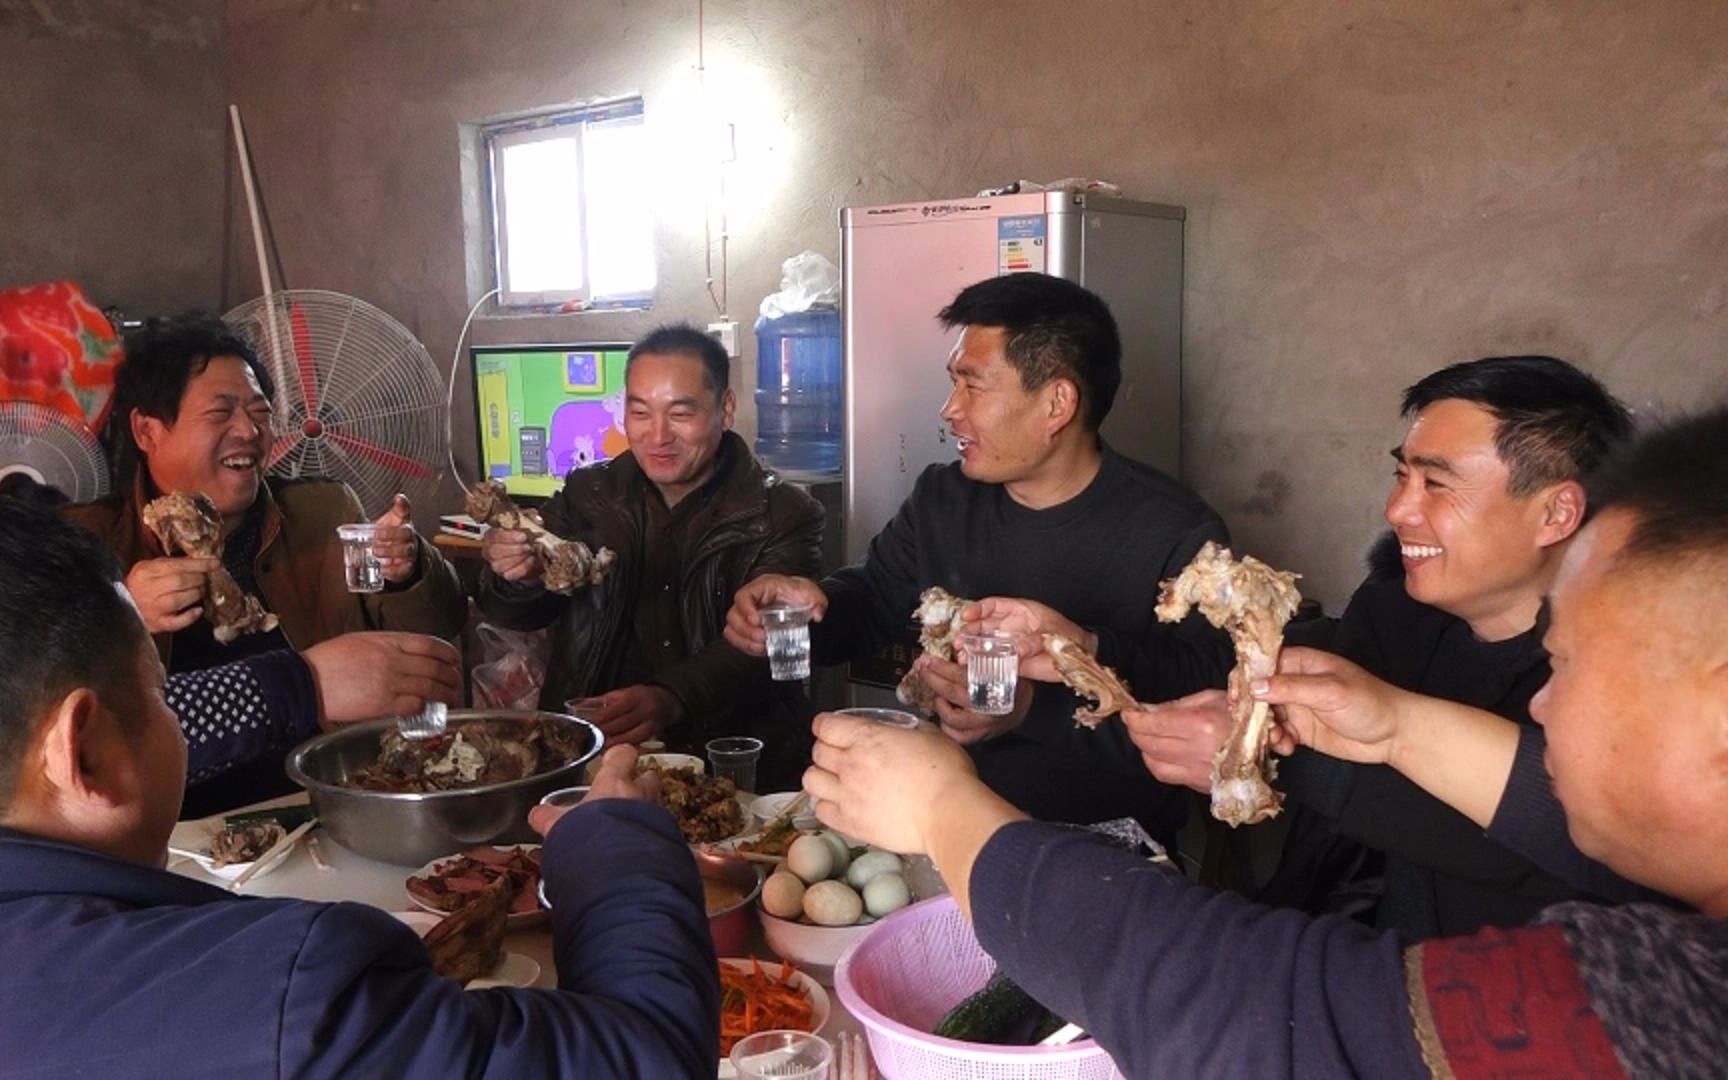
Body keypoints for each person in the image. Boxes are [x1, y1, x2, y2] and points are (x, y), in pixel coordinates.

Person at [803, 404, 1728, 1078]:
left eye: (1568, 665)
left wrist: (941, 805)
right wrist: (1390, 728)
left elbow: (1262, 1006)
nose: (1541, 708)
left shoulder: (1671, 1004)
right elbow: (1547, 809)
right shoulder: (1399, 619)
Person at [0, 502, 719, 1077]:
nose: (251, 426)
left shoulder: (318, 510)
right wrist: (619, 845)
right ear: (84, 753)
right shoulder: (293, 995)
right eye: (164, 696)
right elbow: (645, 1054)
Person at [1122, 356, 1640, 937]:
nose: (1398, 510)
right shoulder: (1395, 614)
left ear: (1556, 513)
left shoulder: (1626, 679)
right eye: (1402, 476)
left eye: (1436, 483)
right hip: (1372, 968)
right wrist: (1085, 650)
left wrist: (1289, 766)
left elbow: (1568, 850)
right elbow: (1245, 676)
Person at [727, 273, 1230, 845]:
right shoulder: (945, 499)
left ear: (1057, 403)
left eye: (974, 387)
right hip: (941, 824)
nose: (949, 411)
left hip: (1102, 843)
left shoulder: (1175, 532)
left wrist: (1031, 708)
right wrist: (803, 610)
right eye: (953, 384)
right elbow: (870, 602)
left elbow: (1205, 702)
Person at [65, 313, 466, 815]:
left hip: (321, 802)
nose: (250, 431)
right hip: (168, 825)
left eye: (260, 411)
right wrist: (120, 615)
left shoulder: (325, 512)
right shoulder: (85, 543)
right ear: (147, 431)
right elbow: (51, 721)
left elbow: (438, 634)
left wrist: (409, 570)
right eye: (221, 413)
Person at [477, 323, 823, 763]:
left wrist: (670, 697)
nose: (657, 437)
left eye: (680, 414)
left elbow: (772, 647)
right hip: (594, 748)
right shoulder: (591, 493)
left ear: (726, 409)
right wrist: (515, 576)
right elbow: (519, 614)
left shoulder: (785, 514)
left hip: (733, 756)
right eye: (640, 413)